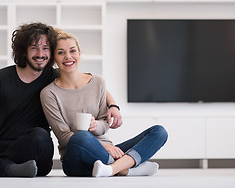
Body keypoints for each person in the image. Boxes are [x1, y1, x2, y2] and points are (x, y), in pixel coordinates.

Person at [0, 22, 123, 177]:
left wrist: (112, 104)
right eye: (34, 48)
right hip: (4, 146)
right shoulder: (0, 78)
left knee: (40, 136)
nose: (40, 53)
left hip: (37, 151)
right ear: (23, 51)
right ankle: (6, 168)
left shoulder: (54, 77)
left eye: (45, 48)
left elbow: (87, 82)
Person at [40, 29, 168, 177]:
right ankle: (126, 167)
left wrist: (97, 126)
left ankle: (112, 169)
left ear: (79, 53)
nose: (68, 57)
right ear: (54, 58)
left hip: (107, 150)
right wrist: (104, 146)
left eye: (72, 51)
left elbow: (104, 125)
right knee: (80, 136)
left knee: (159, 131)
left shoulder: (98, 82)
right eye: (61, 52)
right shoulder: (49, 93)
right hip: (76, 160)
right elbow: (64, 137)